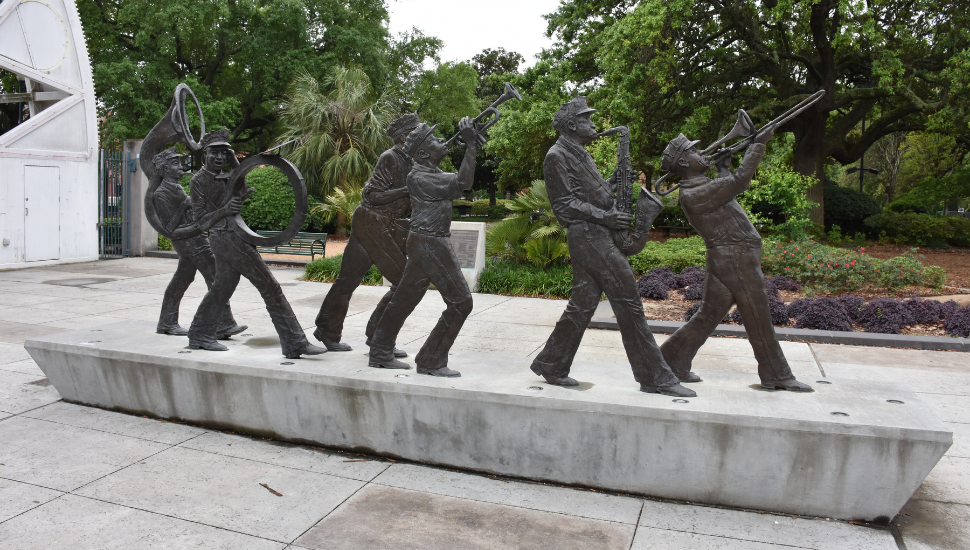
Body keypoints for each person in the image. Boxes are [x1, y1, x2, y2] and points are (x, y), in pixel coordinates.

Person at [529, 97, 694, 398]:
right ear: (571, 125)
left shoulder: (578, 153)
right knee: (629, 301)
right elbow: (565, 205)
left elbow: (586, 194)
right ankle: (654, 377)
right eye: (587, 119)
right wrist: (606, 215)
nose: (593, 124)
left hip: (594, 233)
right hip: (589, 236)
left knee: (581, 306)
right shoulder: (557, 155)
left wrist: (612, 181)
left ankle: (552, 363)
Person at [658, 127, 812, 392]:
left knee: (708, 315)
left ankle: (671, 360)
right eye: (695, 150)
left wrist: (723, 168)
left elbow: (729, 188)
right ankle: (776, 374)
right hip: (735, 258)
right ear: (684, 163)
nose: (701, 152)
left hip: (730, 257)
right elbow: (740, 181)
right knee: (758, 315)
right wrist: (758, 145)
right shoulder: (694, 193)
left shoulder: (701, 186)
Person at [186, 129, 326, 359]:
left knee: (221, 288)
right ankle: (294, 343)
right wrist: (224, 210)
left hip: (235, 236)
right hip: (225, 238)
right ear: (205, 156)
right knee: (270, 287)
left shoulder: (227, 175)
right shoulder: (198, 181)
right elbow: (201, 222)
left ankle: (199, 333)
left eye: (224, 153)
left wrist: (235, 164)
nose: (219, 158)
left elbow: (240, 190)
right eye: (215, 153)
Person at [366, 118, 480, 376]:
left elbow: (459, 179)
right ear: (425, 153)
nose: (443, 140)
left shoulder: (431, 173)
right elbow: (464, 183)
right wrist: (471, 145)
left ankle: (380, 351)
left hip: (423, 242)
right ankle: (430, 359)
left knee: (403, 299)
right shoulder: (420, 177)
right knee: (461, 303)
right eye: (436, 139)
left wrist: (472, 143)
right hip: (431, 243)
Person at [313, 113, 421, 357]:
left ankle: (330, 331)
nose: (420, 136)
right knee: (404, 282)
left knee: (348, 281)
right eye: (415, 132)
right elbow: (371, 196)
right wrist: (406, 189)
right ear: (404, 136)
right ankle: (376, 336)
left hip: (383, 223)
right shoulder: (390, 158)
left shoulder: (412, 162)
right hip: (372, 221)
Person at [151, 147, 246, 339]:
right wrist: (184, 207)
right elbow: (169, 227)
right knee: (215, 276)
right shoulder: (161, 194)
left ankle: (166, 322)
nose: (181, 167)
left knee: (182, 279)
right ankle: (224, 323)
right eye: (175, 164)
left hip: (194, 237)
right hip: (189, 241)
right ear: (165, 169)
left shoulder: (176, 188)